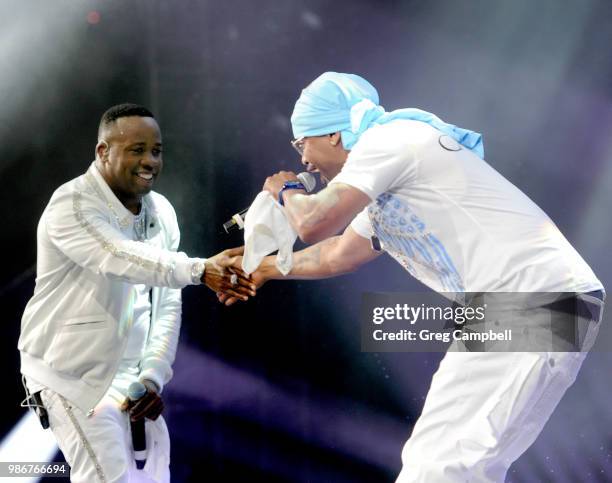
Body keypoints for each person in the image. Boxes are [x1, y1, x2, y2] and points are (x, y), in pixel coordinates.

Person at [220, 73, 605, 482]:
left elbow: (314, 222)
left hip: (532, 299)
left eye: (303, 143)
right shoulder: (386, 168)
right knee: (458, 465)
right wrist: (266, 267)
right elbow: (338, 254)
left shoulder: (390, 142)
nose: (303, 159)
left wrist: (286, 191)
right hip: (534, 304)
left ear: (333, 134)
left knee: (439, 467)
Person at [18, 103, 255, 483]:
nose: (150, 161)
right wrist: (198, 269)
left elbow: (166, 305)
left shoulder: (160, 212)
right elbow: (116, 255)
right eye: (136, 149)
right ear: (103, 152)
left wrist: (152, 377)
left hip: (130, 381)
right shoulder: (72, 204)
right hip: (69, 376)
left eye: (156, 150)